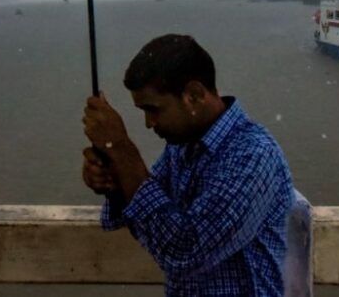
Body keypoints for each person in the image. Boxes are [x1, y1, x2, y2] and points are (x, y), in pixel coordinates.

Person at [81, 34, 295, 296]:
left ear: (194, 95)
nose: (149, 123)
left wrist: (121, 149)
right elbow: (154, 220)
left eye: (154, 110)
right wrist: (115, 181)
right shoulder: (181, 146)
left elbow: (185, 252)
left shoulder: (253, 155)